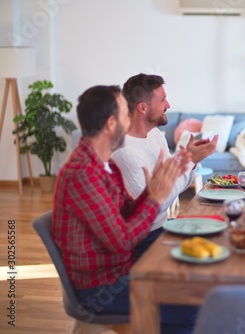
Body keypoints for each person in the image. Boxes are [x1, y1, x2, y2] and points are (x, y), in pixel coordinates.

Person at [52, 85, 198, 334]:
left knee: (192, 282)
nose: (130, 120)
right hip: (101, 288)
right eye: (124, 115)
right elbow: (122, 241)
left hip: (120, 270)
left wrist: (151, 192)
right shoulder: (82, 174)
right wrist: (154, 198)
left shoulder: (103, 163)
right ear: (111, 124)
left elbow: (127, 212)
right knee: (191, 305)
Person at [112, 73, 218, 257]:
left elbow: (174, 182)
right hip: (143, 238)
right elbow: (155, 205)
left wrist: (188, 159)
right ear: (143, 108)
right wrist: (190, 160)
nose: (168, 105)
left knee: (217, 236)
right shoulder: (124, 150)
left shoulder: (154, 134)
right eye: (163, 100)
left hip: (163, 225)